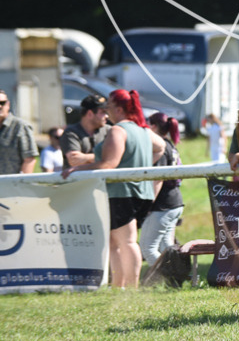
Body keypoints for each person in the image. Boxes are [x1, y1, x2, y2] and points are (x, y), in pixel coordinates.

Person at [62, 89, 165, 288]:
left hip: (122, 193)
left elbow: (109, 163)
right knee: (115, 242)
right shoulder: (144, 130)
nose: (107, 110)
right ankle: (119, 286)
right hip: (141, 192)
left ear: (118, 108)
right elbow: (160, 147)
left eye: (109, 105)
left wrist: (79, 167)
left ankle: (131, 287)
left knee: (126, 242)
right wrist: (143, 167)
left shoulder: (118, 130)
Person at [139, 112, 184, 265]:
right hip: (174, 202)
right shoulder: (171, 145)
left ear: (153, 126)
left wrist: (148, 205)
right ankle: (177, 278)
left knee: (148, 248)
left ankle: (170, 277)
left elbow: (158, 178)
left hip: (162, 204)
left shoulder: (161, 147)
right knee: (166, 246)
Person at [60, 94, 110, 169]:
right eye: (103, 112)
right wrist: (106, 158)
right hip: (78, 180)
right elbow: (74, 160)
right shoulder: (71, 132)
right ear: (90, 114)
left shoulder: (109, 130)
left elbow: (117, 157)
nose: (107, 116)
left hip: (103, 179)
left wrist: (85, 158)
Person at [0, 89, 39, 174]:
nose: (0, 106)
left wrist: (22, 183)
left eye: (2, 103)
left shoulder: (20, 126)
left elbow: (29, 160)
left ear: (8, 105)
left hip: (11, 184)